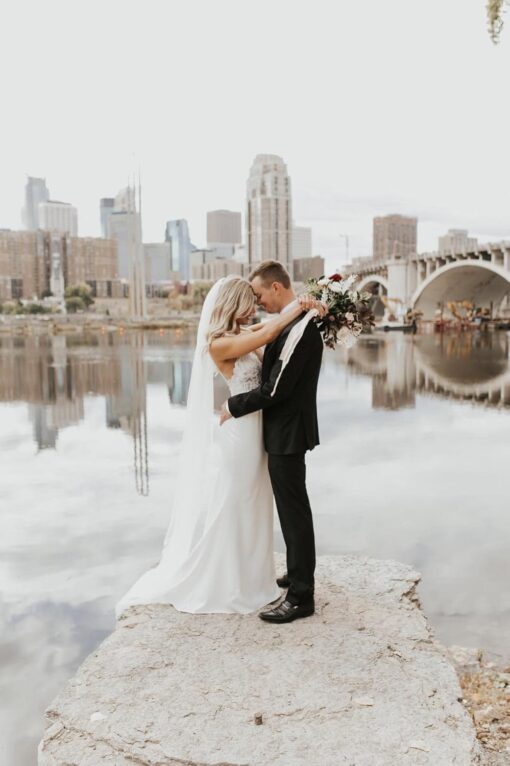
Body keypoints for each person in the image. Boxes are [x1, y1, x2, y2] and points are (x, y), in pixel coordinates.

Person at [116, 276, 324, 617]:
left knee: (255, 503)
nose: (255, 306)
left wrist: (304, 311)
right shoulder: (218, 343)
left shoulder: (241, 333)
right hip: (241, 434)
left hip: (259, 431)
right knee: (237, 501)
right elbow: (270, 334)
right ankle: (227, 579)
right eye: (250, 300)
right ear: (234, 303)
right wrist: (300, 305)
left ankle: (253, 575)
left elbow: (270, 337)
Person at [220, 260, 324, 623]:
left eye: (260, 293)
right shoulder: (290, 322)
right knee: (290, 509)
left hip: (288, 433)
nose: (258, 300)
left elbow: (275, 389)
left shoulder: (300, 330)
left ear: (276, 288)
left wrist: (233, 406)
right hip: (281, 431)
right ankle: (297, 575)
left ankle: (300, 597)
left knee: (294, 512)